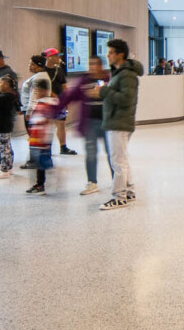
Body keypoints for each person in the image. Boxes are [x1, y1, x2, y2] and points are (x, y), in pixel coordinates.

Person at [99, 39, 141, 210]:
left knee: (117, 160)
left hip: (120, 121)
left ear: (120, 54)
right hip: (117, 120)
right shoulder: (119, 73)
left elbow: (126, 99)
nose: (107, 56)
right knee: (122, 158)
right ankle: (129, 191)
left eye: (110, 53)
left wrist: (103, 91)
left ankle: (119, 196)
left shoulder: (126, 75)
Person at [64, 56, 110, 195]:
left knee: (112, 153)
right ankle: (92, 182)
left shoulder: (108, 79)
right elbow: (70, 96)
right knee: (91, 154)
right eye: (90, 64)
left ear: (101, 65)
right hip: (90, 122)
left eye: (96, 64)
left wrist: (101, 93)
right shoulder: (84, 81)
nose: (93, 67)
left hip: (107, 122)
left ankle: (117, 181)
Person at [19, 57, 52, 168]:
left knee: (35, 138)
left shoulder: (39, 78)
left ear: (38, 65)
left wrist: (29, 112)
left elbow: (34, 96)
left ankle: (34, 161)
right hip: (34, 110)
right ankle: (40, 160)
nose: (29, 66)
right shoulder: (40, 76)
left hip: (34, 111)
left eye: (31, 64)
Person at [24, 82, 56, 196]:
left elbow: (46, 120)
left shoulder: (48, 103)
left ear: (44, 91)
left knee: (41, 163)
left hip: (43, 138)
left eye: (37, 91)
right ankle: (39, 184)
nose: (35, 93)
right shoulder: (40, 103)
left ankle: (40, 185)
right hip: (36, 138)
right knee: (38, 162)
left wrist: (43, 136)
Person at [44, 48, 76, 156]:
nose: (59, 58)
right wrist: (55, 96)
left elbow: (64, 85)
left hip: (60, 102)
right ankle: (47, 148)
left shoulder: (59, 70)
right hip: (47, 101)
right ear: (49, 57)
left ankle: (63, 147)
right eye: (56, 56)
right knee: (48, 125)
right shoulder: (42, 71)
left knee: (61, 124)